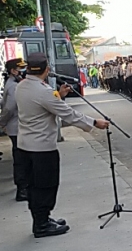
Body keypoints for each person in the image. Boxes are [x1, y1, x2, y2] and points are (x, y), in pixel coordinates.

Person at [15, 52, 109, 238]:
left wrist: (59, 94)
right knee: (46, 186)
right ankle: (41, 225)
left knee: (34, 186)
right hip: (42, 148)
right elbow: (69, 114)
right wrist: (94, 123)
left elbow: (42, 104)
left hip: (25, 146)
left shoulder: (22, 86)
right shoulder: (43, 92)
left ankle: (42, 219)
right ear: (47, 69)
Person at [0, 58, 29, 201]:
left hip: (17, 126)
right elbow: (9, 107)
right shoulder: (13, 86)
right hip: (16, 126)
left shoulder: (13, 83)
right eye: (20, 69)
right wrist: (2, 122)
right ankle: (22, 189)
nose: (23, 72)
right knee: (20, 159)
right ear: (13, 71)